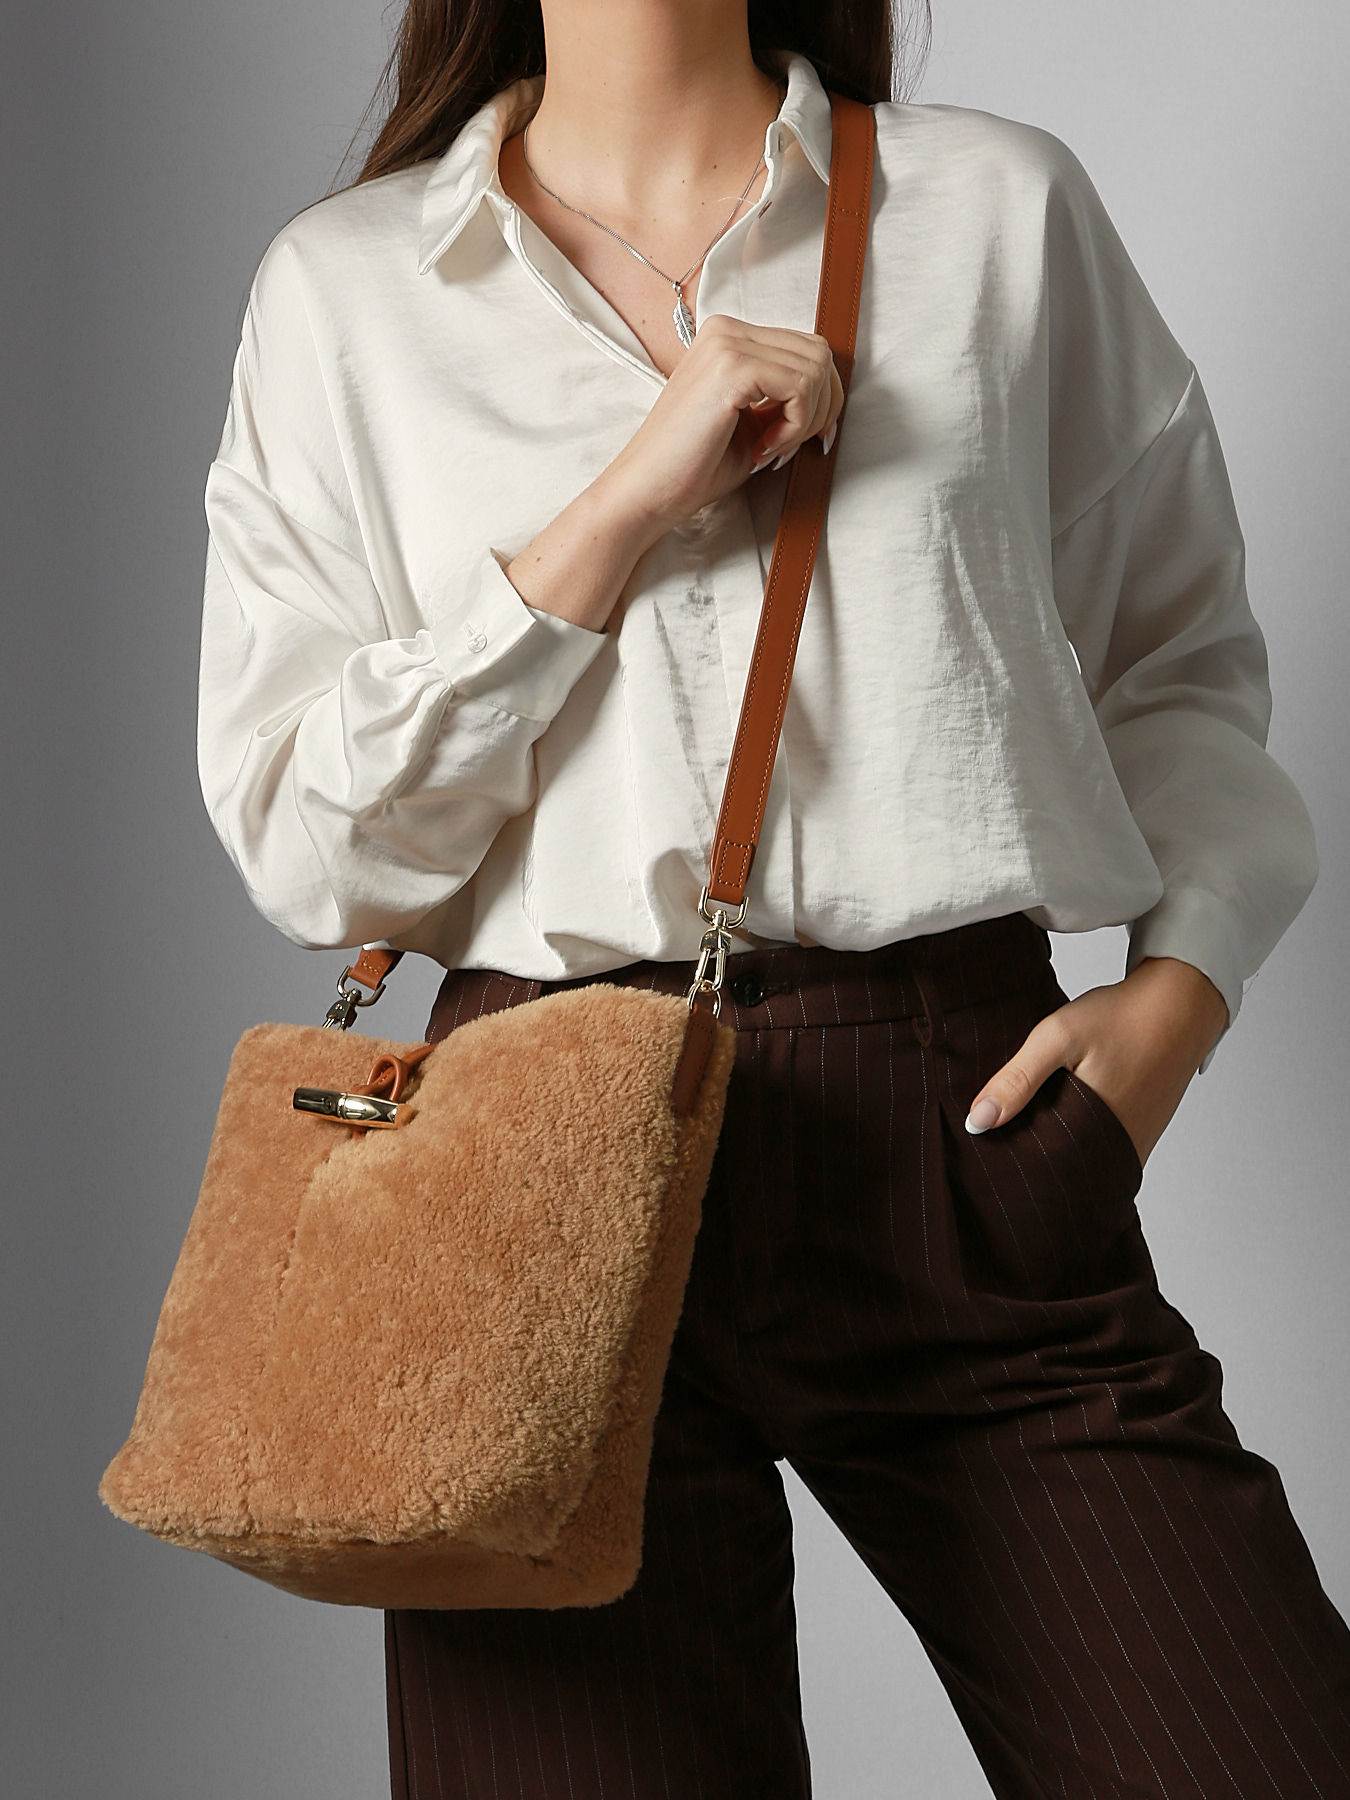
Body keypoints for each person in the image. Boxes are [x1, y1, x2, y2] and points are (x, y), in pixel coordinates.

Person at [195, 3, 1350, 1795]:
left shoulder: (995, 210)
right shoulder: (348, 290)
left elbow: (1178, 657)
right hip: (523, 1168)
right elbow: (309, 845)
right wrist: (620, 507)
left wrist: (1176, 998)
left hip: (957, 1120)